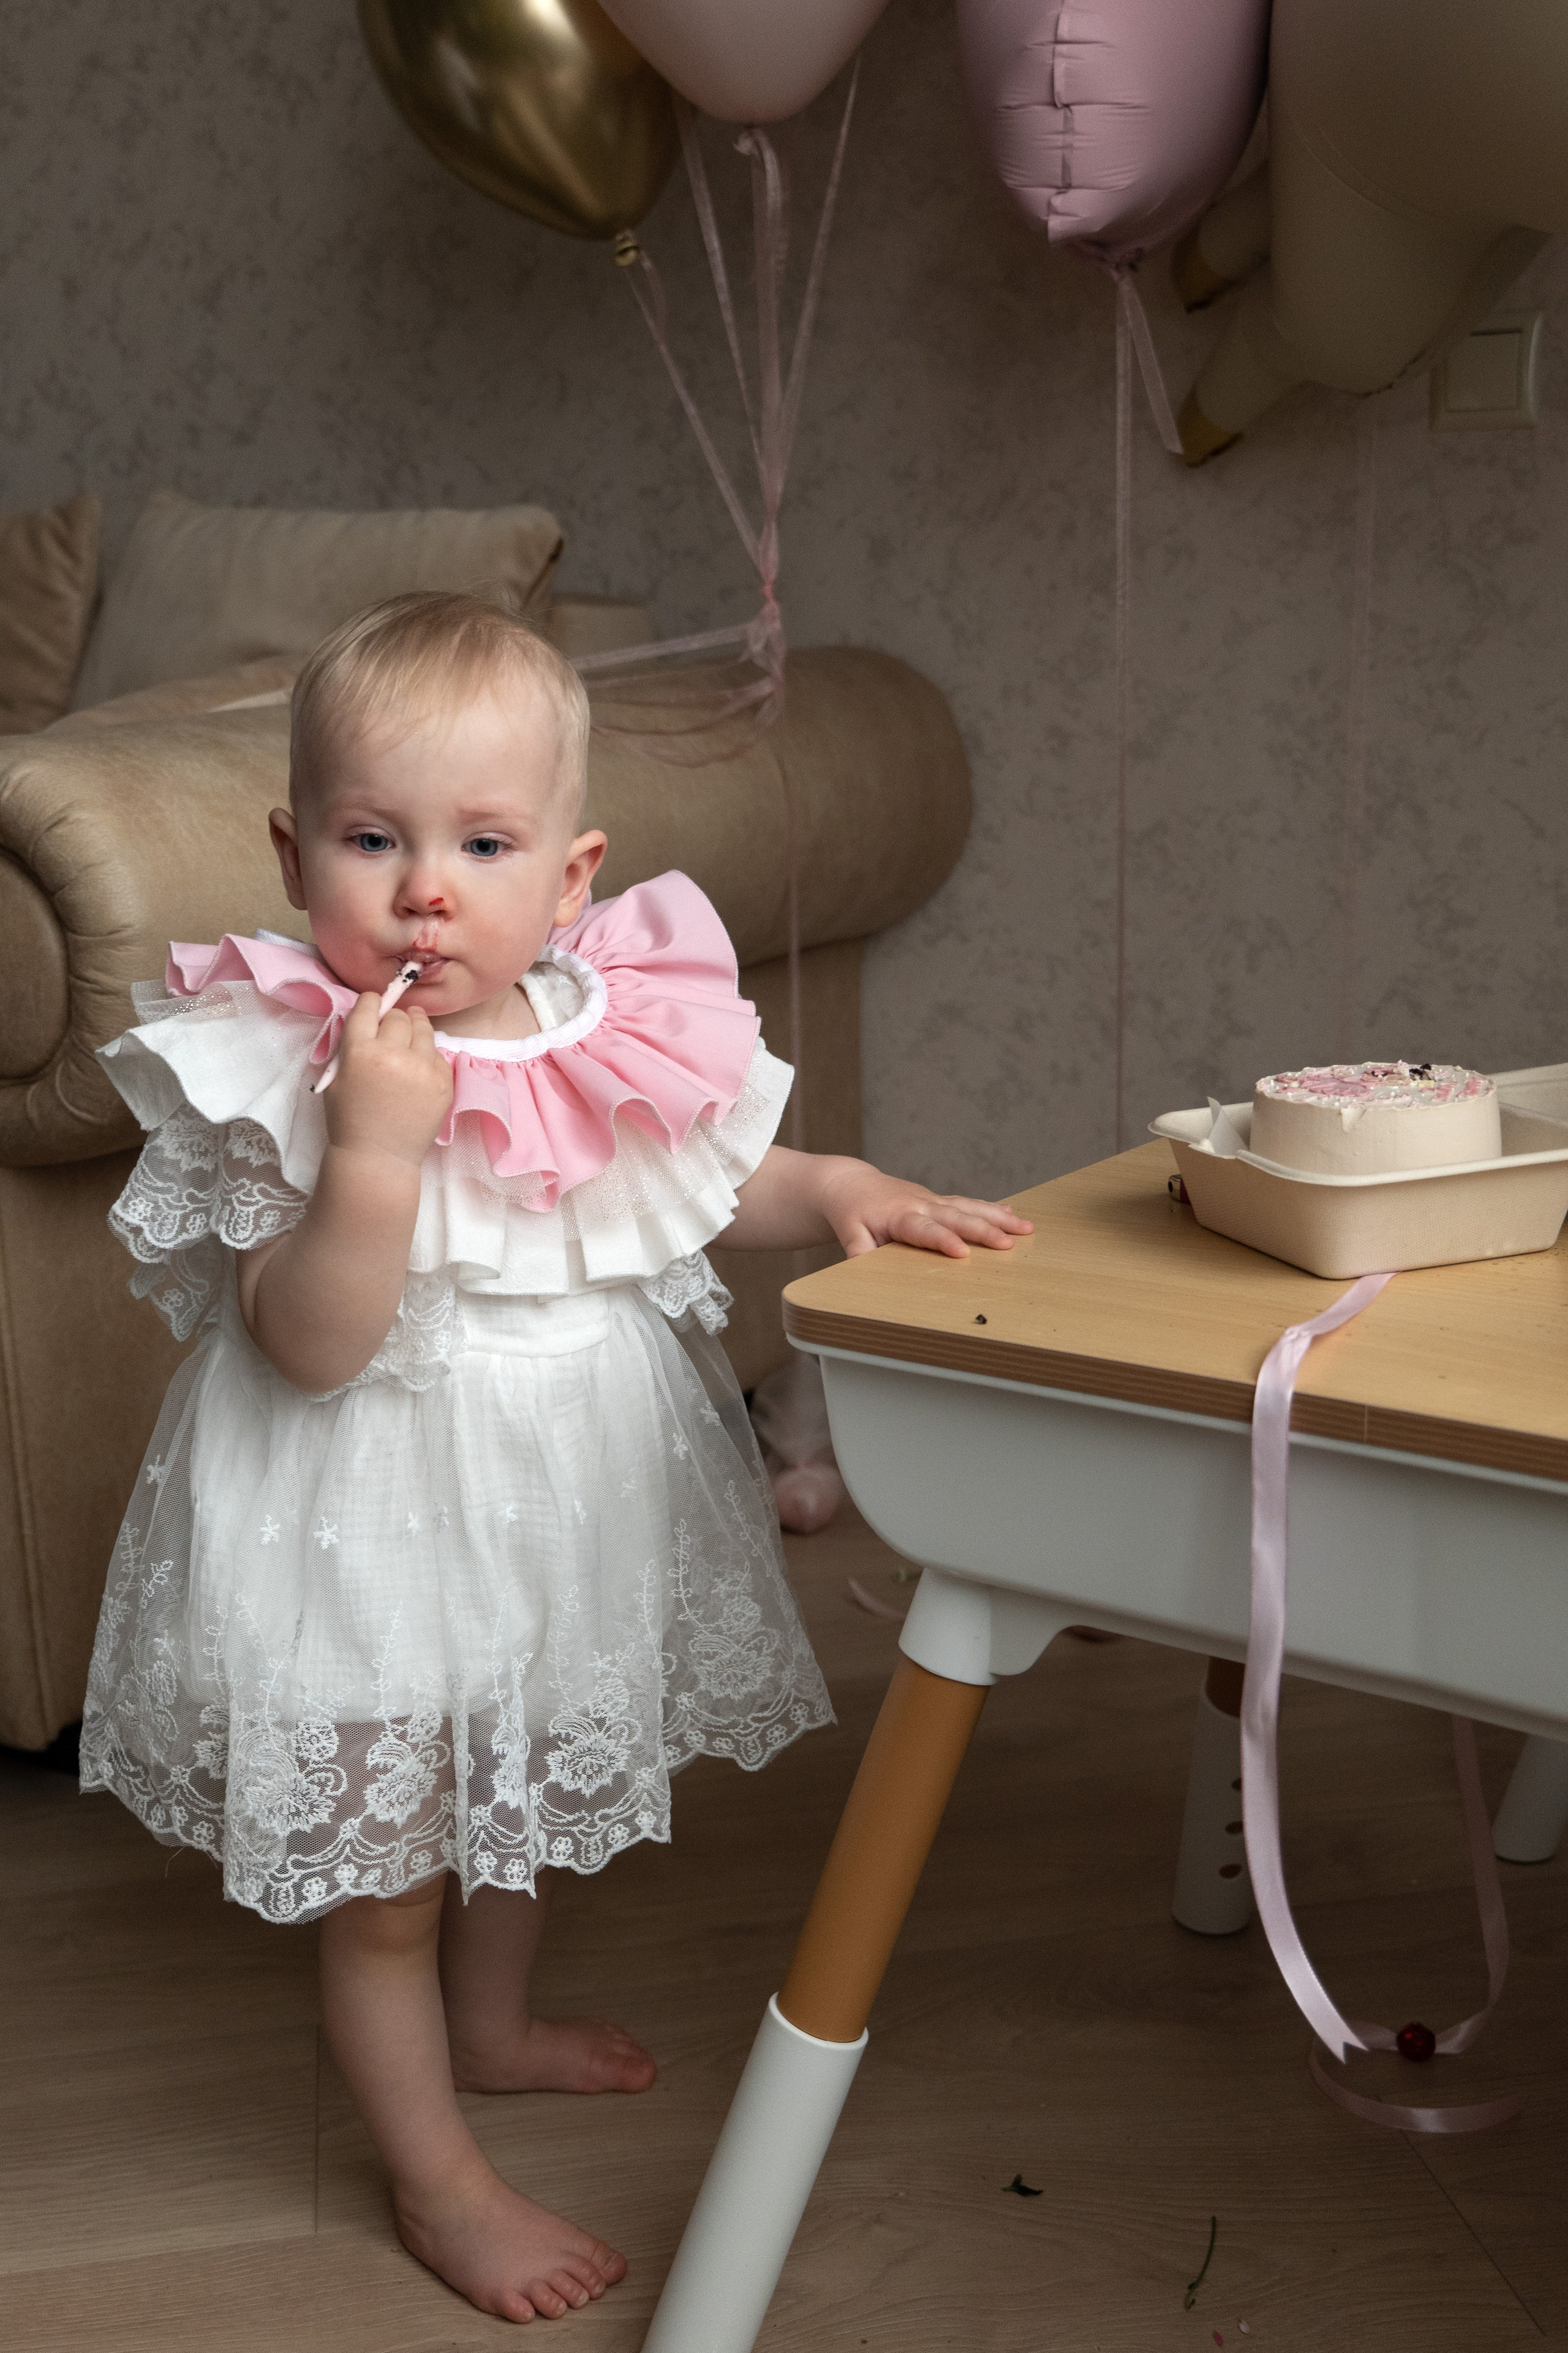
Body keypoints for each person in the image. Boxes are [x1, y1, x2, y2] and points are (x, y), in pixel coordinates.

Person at [80, 591, 1031, 2325]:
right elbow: (309, 1337)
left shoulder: (601, 1024)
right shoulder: (286, 1063)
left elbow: (695, 1172)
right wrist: (373, 1155)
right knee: (386, 1882)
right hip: (355, 1517)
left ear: (573, 876)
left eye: (482, 841)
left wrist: (834, 1193)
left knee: (510, 1789)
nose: (424, 886)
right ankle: (437, 2180)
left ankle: (494, 2027)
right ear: (296, 854)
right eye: (372, 837)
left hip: (555, 1505)